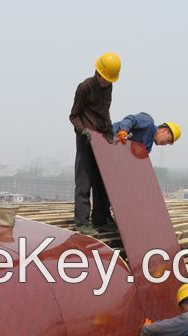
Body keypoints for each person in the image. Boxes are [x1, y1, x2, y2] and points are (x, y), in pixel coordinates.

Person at [69, 52, 121, 236]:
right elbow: (73, 115)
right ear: (98, 71)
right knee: (84, 182)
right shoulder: (85, 87)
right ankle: (82, 222)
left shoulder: (109, 87)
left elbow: (105, 111)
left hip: (101, 139)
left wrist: (109, 132)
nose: (106, 82)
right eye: (105, 78)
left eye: (109, 80)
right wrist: (82, 130)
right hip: (85, 138)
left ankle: (101, 219)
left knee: (101, 182)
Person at [111, 113, 181, 153]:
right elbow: (130, 119)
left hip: (114, 153)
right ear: (165, 131)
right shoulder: (148, 122)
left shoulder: (148, 147)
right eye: (168, 140)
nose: (165, 144)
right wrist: (123, 131)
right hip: (107, 138)